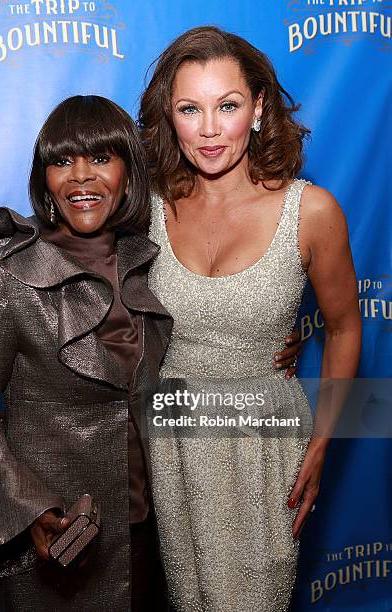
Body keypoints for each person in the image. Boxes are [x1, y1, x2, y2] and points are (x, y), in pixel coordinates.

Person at [138, 26, 362, 611]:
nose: (209, 130)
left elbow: (343, 328)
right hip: (177, 442)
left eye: (228, 106)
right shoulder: (147, 210)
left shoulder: (310, 210)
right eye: (190, 108)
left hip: (265, 445)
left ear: (258, 108)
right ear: (170, 115)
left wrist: (321, 444)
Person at [0, 95, 173, 612]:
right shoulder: (5, 277)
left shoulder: (153, 263)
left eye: (100, 158)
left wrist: (280, 346)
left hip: (154, 528)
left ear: (127, 172)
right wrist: (31, 509)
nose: (81, 177)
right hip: (58, 537)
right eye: (62, 160)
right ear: (44, 178)